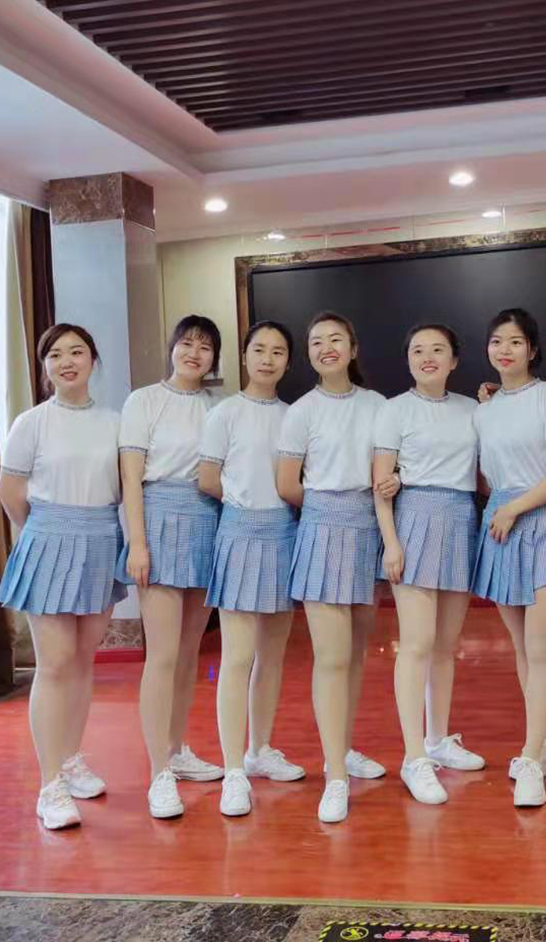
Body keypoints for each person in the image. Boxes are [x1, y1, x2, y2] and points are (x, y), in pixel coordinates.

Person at [0, 324, 123, 830]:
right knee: (55, 663)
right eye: (55, 354)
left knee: (84, 660)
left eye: (77, 352)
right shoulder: (31, 422)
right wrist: (45, 531)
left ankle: (70, 760)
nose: (66, 361)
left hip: (101, 541)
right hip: (47, 540)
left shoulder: (115, 422)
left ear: (93, 360)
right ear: (45, 365)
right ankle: (50, 785)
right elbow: (9, 491)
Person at [275, 311, 390, 823]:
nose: (326, 347)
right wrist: (328, 509)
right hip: (321, 529)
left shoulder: (378, 406)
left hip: (367, 529)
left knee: (356, 654)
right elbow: (287, 484)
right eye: (317, 341)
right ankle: (335, 776)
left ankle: (342, 748)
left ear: (353, 348)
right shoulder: (301, 411)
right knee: (331, 657)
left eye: (335, 339)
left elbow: (388, 469)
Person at [373, 324, 485, 806]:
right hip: (414, 519)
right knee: (416, 644)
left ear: (454, 360)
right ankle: (413, 755)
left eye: (438, 349)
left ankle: (439, 739)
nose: (427, 357)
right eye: (418, 350)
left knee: (445, 645)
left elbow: (484, 473)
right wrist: (391, 543)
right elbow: (381, 485)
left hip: (460, 518)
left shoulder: (473, 410)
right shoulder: (394, 410)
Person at [472, 309, 546, 809]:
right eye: (497, 341)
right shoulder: (483, 411)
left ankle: (532, 757)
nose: (505, 350)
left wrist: (515, 508)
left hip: (542, 522)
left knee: (539, 648)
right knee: (520, 648)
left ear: (532, 349)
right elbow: (485, 477)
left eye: (515, 341)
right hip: (500, 525)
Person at [118, 315, 224, 819]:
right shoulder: (143, 401)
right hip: (159, 520)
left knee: (187, 654)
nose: (194, 353)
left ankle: (177, 749)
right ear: (172, 347)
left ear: (214, 358)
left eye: (205, 347)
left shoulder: (217, 407)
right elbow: (131, 480)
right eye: (187, 343)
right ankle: (158, 771)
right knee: (160, 656)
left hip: (206, 521)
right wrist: (138, 543)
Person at [199, 321, 307, 817]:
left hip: (285, 533)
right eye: (259, 350)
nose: (267, 359)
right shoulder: (224, 413)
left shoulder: (294, 415)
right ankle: (233, 771)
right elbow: (207, 478)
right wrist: (245, 504)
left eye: (277, 351)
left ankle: (260, 750)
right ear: (244, 356)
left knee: (273, 654)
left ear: (288, 361)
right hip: (240, 534)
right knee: (237, 657)